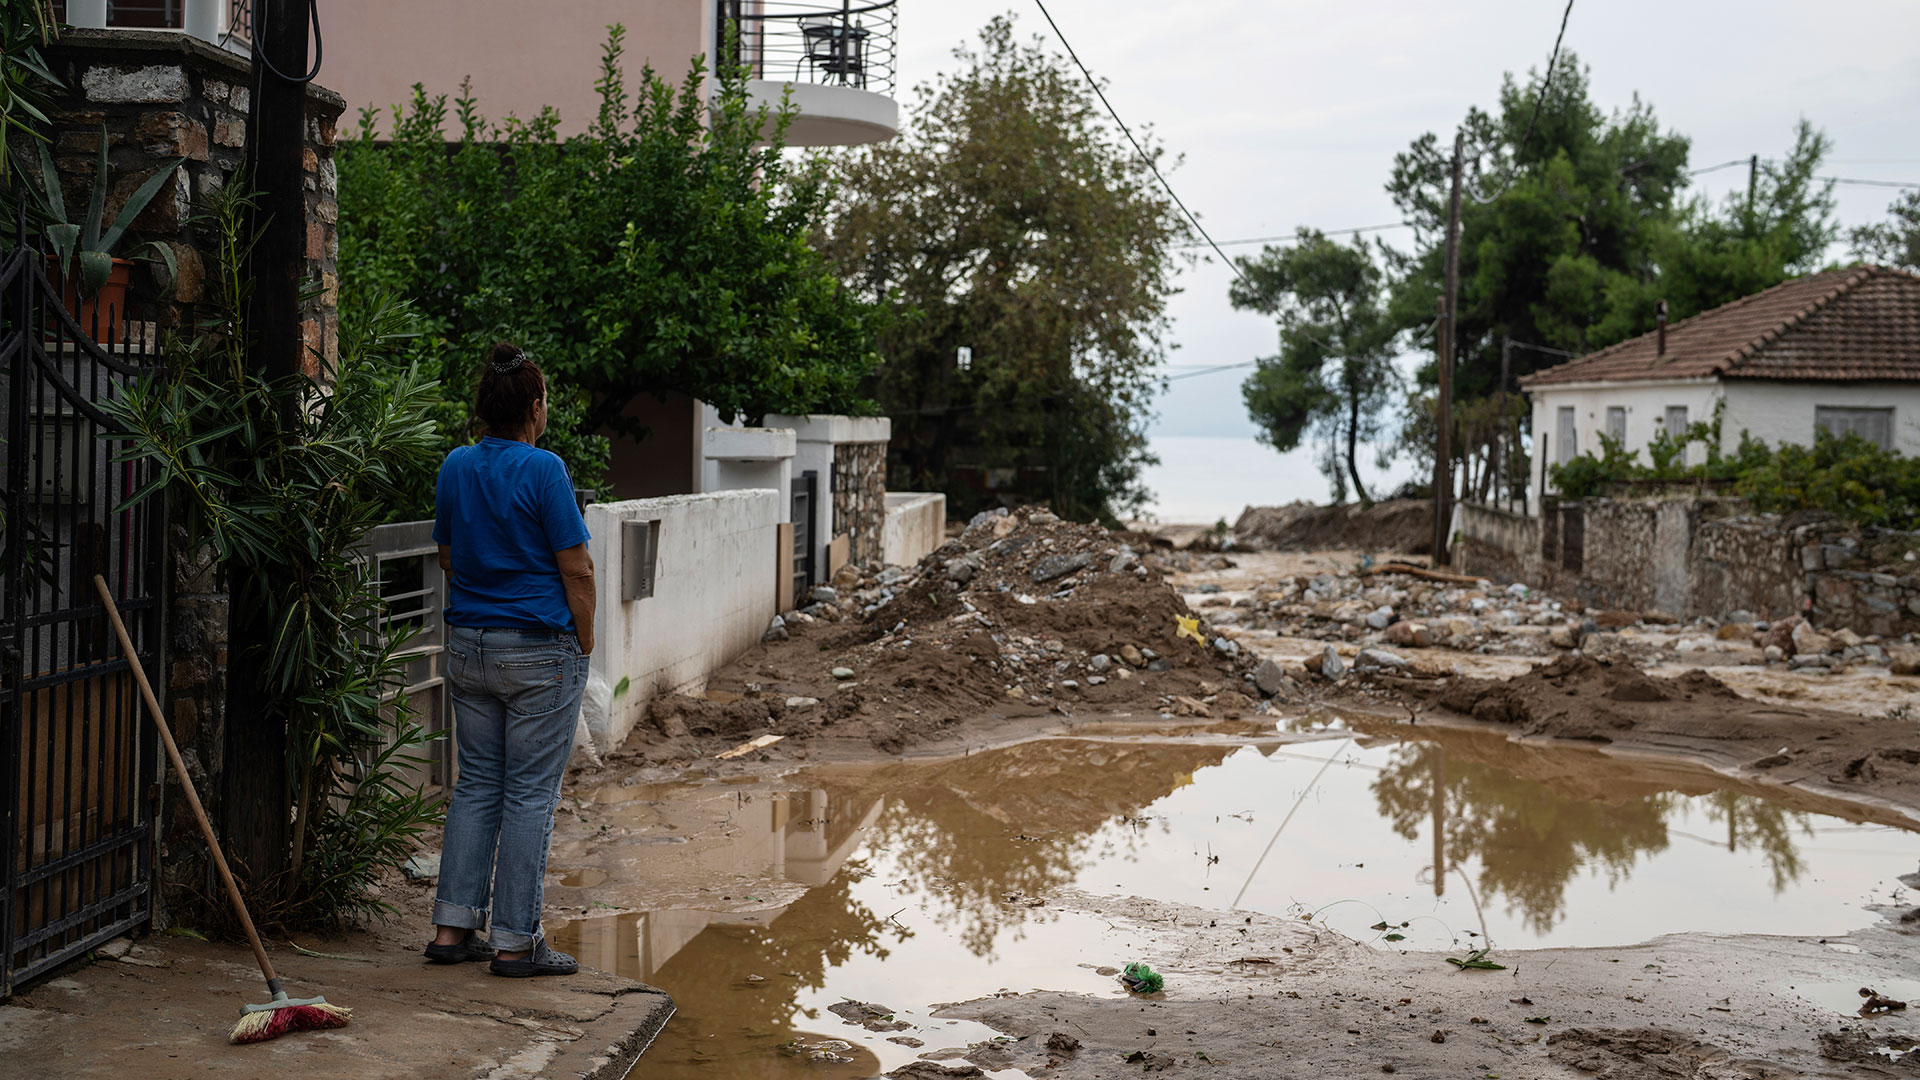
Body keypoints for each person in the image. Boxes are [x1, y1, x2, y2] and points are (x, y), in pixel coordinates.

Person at [425, 343, 596, 977]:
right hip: (538, 652)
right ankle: (516, 943)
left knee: (475, 786)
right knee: (527, 796)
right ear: (534, 407)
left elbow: (446, 556)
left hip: (469, 648)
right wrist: (584, 640)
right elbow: (576, 568)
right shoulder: (545, 470)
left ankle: (451, 930)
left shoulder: (456, 466)